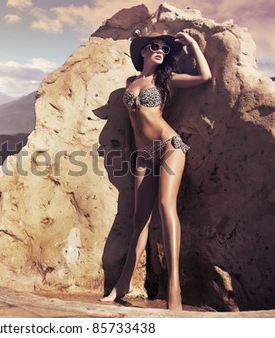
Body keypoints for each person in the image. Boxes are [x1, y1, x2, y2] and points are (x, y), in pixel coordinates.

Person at [99, 32, 212, 310]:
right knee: (139, 220)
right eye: (155, 47)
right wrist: (129, 154)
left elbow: (205, 77)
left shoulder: (165, 79)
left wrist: (192, 44)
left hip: (169, 148)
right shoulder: (131, 83)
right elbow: (130, 125)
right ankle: (123, 283)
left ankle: (174, 288)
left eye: (164, 48)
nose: (160, 51)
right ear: (143, 53)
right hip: (143, 157)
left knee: (165, 206)